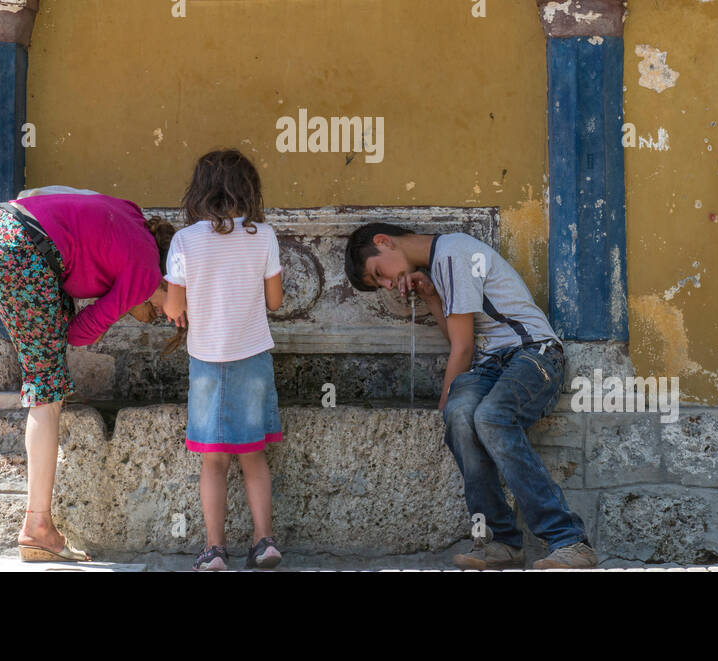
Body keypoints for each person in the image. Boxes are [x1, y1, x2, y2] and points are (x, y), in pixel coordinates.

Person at [344, 222, 596, 570]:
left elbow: (462, 350)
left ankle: (570, 540)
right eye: (381, 285)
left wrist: (447, 395)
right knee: (461, 418)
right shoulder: (439, 265)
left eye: (379, 274)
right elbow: (461, 338)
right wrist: (432, 296)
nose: (389, 285)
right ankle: (500, 542)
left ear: (383, 242)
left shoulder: (454, 253)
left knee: (489, 416)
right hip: (493, 363)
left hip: (534, 354)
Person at [0, 186, 175, 562]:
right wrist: (121, 304)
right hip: (21, 250)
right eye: (161, 311)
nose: (160, 318)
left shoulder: (131, 213)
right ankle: (37, 527)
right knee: (47, 391)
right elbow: (78, 334)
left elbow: (49, 196)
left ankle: (38, 526)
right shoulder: (146, 274)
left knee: (48, 369)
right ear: (169, 281)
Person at [162, 150, 284, 571]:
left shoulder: (184, 241)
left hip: (207, 361)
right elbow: (275, 300)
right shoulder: (264, 236)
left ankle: (215, 550)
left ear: (199, 190)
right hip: (252, 356)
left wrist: (183, 307)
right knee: (254, 455)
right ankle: (264, 541)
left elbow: (173, 305)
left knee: (213, 459)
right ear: (248, 189)